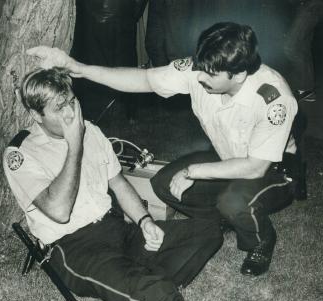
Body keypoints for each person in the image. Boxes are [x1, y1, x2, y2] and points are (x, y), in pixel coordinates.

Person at [4, 67, 295, 301]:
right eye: (59, 109)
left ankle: (140, 300)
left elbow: (117, 182)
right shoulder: (21, 153)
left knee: (207, 232)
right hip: (75, 249)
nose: (71, 113)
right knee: (152, 288)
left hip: (118, 229)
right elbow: (59, 210)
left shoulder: (91, 131)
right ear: (35, 114)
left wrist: (144, 220)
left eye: (72, 101)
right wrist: (73, 145)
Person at [27, 21, 298, 277]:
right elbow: (143, 80)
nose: (200, 77)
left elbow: (255, 166)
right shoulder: (204, 68)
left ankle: (261, 241)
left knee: (233, 200)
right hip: (230, 158)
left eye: (210, 74)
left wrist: (194, 171)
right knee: (164, 184)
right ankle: (220, 220)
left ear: (238, 75)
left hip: (274, 170)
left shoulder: (273, 98)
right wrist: (77, 67)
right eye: (200, 68)